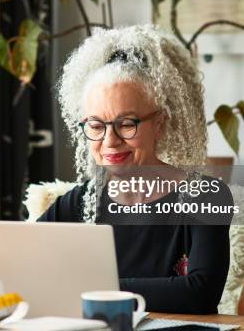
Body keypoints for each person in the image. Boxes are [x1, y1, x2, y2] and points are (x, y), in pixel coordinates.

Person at [38, 25, 233, 314]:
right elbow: (25, 270)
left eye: (127, 124)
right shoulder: (78, 203)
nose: (110, 141)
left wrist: (90, 289)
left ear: (160, 123)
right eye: (95, 126)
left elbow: (200, 293)